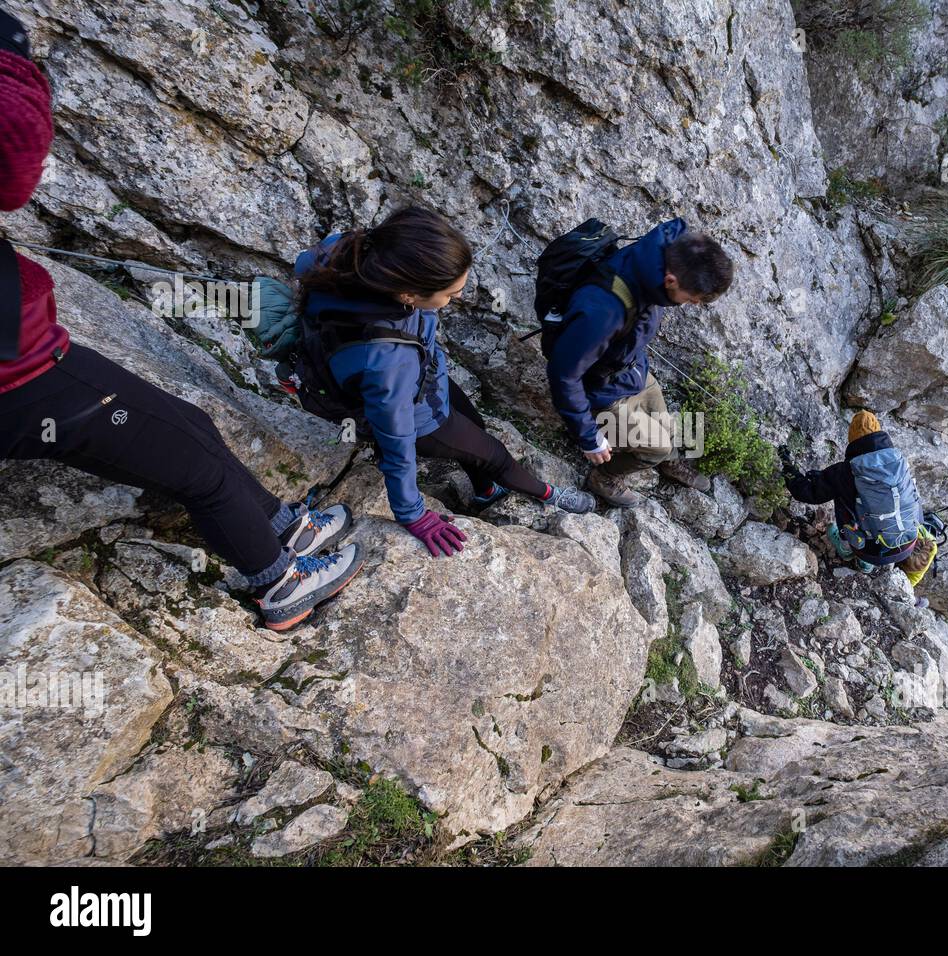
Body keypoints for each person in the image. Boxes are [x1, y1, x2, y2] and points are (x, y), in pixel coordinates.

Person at [0, 23, 362, 631]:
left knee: (191, 426)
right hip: (23, 379)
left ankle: (281, 523)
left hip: (28, 363)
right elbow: (13, 155)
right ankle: (280, 583)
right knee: (196, 469)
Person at [292, 208, 595, 559]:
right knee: (494, 454)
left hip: (426, 381)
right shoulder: (387, 361)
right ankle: (550, 495)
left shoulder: (356, 253)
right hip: (419, 414)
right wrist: (413, 515)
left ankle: (485, 492)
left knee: (475, 426)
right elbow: (398, 442)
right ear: (408, 295)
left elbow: (304, 262)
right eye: (450, 293)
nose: (457, 298)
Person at [542, 218, 734, 507]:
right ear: (671, 281)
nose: (693, 304)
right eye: (693, 299)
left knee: (667, 426)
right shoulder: (604, 310)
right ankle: (604, 477)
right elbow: (563, 375)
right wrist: (589, 436)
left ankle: (665, 459)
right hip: (602, 391)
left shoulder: (661, 254)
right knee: (657, 447)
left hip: (631, 369)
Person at [785, 410, 926, 570]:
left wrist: (788, 468)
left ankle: (846, 549)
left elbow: (806, 492)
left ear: (852, 439)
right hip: (906, 544)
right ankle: (866, 566)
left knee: (842, 496)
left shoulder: (846, 471)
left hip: (868, 550)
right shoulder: (900, 462)